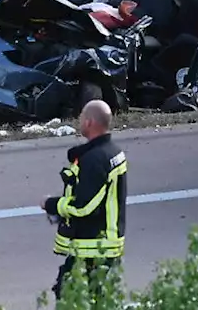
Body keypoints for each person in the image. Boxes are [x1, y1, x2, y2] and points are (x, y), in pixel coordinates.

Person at [41, 99, 128, 300]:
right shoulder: (113, 152)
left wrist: (51, 204)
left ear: (89, 122)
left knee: (71, 296)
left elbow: (84, 206)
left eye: (81, 117)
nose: (79, 121)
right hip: (105, 244)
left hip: (93, 248)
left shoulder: (95, 160)